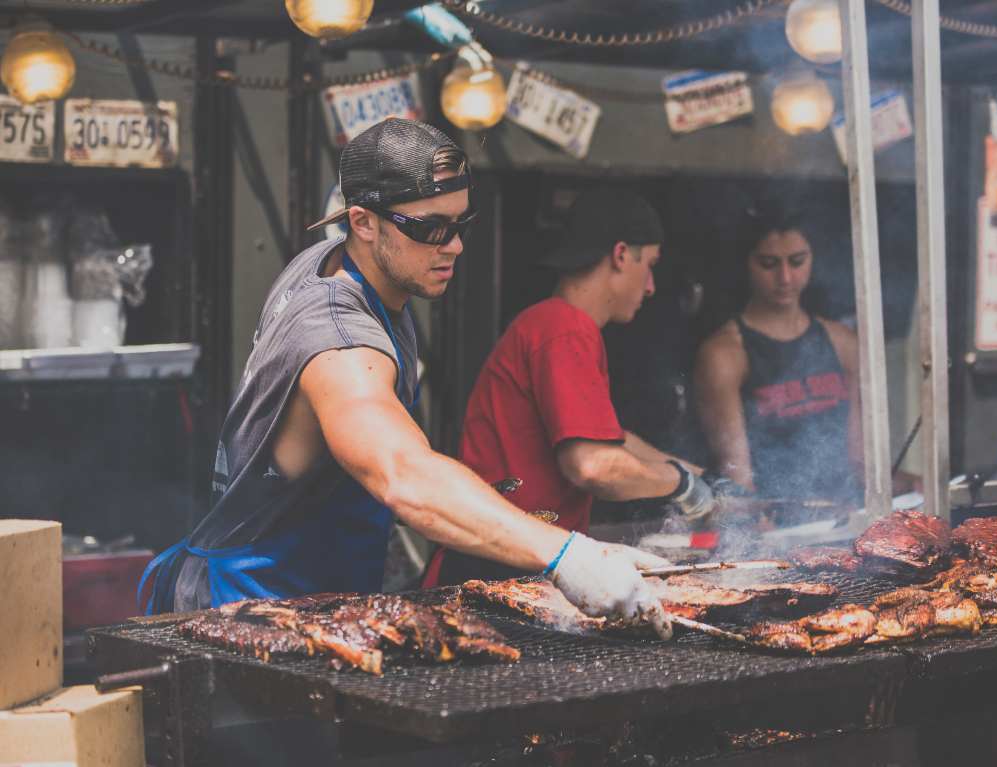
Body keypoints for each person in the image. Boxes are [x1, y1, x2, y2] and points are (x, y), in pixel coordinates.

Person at [139, 119, 673, 639]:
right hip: (252, 610)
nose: (454, 246)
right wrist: (567, 554)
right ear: (363, 221)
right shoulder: (340, 338)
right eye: (430, 228)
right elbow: (404, 474)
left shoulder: (343, 261)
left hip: (317, 600)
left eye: (461, 224)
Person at [423, 187, 724, 587]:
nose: (651, 286)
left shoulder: (554, 324)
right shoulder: (564, 329)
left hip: (509, 562)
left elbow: (613, 439)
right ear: (620, 255)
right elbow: (594, 466)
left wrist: (704, 476)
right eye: (649, 265)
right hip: (496, 570)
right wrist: (683, 485)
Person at [694, 204, 865, 505]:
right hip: (774, 522)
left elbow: (860, 457)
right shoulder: (725, 354)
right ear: (747, 264)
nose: (785, 277)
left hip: (846, 515)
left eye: (797, 261)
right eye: (769, 263)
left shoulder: (843, 342)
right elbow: (736, 475)